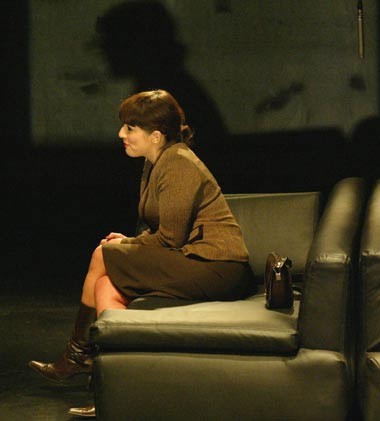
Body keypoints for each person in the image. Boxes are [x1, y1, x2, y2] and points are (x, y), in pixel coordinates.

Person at [28, 90, 255, 417]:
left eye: (130, 128)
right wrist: (130, 242)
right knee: (106, 285)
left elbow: (171, 239)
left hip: (218, 266)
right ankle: (113, 384)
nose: (121, 134)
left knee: (102, 255)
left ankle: (77, 356)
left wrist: (126, 247)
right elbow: (162, 229)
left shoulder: (178, 163)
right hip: (192, 258)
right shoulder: (156, 162)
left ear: (156, 135)